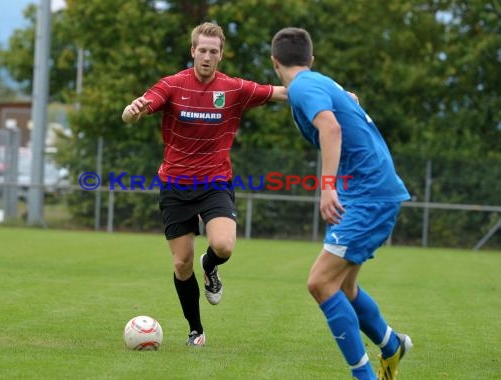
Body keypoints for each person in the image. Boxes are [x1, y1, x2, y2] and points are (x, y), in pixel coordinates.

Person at [121, 22, 288, 347]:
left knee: (223, 245)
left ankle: (210, 266)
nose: (207, 56)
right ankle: (195, 329)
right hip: (175, 185)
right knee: (181, 263)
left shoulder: (234, 88)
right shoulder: (172, 85)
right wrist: (132, 111)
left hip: (215, 182)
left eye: (214, 51)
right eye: (202, 50)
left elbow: (281, 92)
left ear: (221, 54)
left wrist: (331, 95)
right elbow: (138, 109)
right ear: (192, 51)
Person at [270, 27, 412, 380]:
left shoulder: (305, 87)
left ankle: (363, 376)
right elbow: (339, 102)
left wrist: (327, 187)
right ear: (311, 60)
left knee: (319, 282)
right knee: (344, 288)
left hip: (367, 194)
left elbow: (330, 128)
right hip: (366, 190)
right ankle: (392, 344)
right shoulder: (318, 83)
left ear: (274, 62)